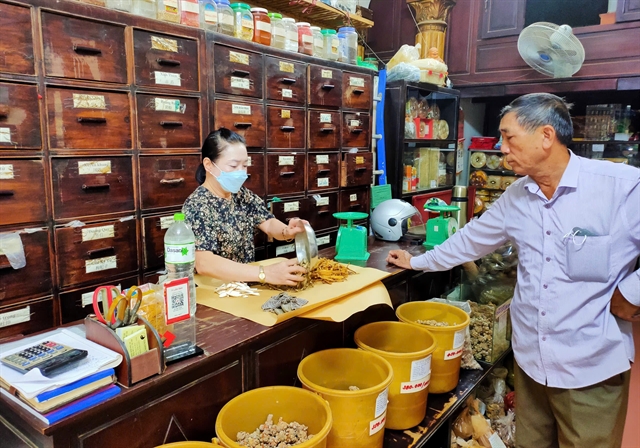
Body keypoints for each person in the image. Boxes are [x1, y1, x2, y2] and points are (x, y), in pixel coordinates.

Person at [387, 93, 640, 448]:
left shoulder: (621, 186)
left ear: (546, 137)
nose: (501, 147)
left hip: (589, 367)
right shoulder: (518, 195)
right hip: (532, 364)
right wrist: (416, 262)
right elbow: (470, 241)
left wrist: (632, 293)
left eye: (509, 137)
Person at [183, 128, 307, 286]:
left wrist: (286, 231)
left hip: (245, 287)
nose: (241, 173)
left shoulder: (240, 195)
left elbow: (267, 222)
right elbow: (204, 263)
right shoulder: (197, 205)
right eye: (233, 166)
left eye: (244, 165)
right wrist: (265, 273)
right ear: (209, 165)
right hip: (214, 292)